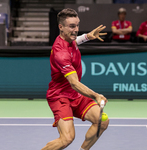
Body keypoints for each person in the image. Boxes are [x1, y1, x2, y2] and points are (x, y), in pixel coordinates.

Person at [42, 8, 109, 150]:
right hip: (60, 96)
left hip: (74, 96)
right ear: (61, 27)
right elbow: (74, 83)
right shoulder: (60, 52)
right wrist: (96, 95)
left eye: (77, 25)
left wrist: (87, 37)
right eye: (72, 26)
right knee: (66, 139)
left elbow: (75, 41)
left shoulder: (69, 39)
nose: (76, 30)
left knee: (102, 122)